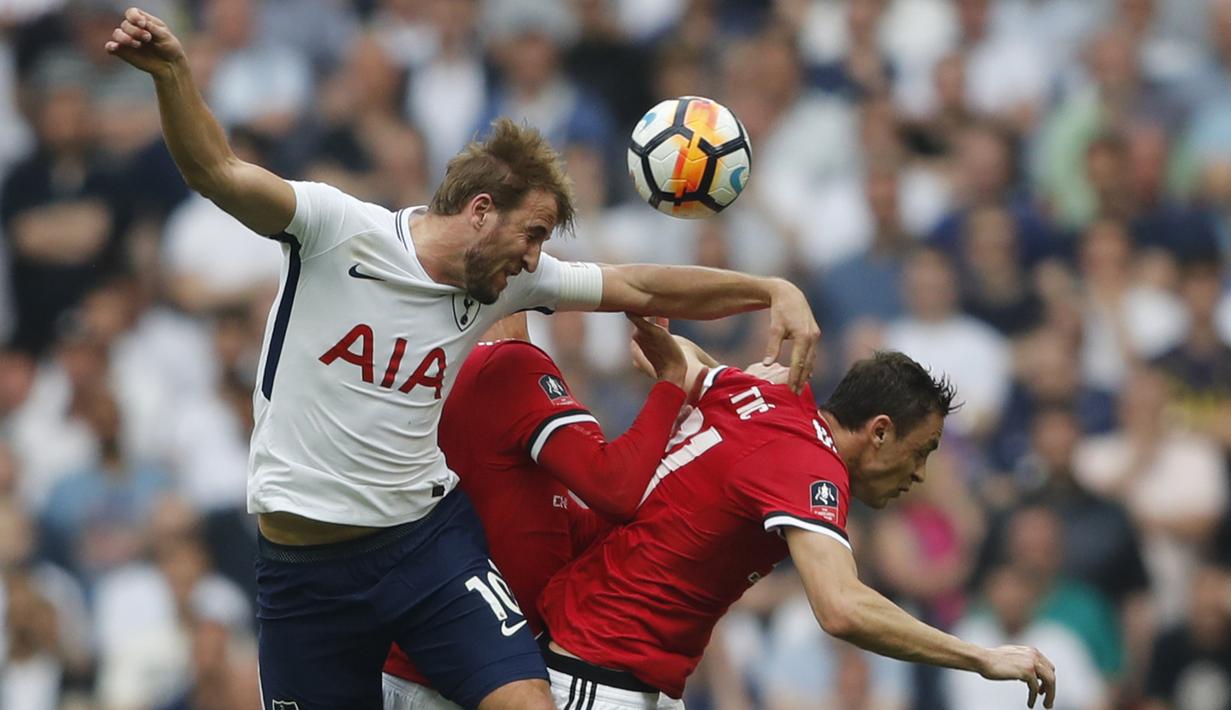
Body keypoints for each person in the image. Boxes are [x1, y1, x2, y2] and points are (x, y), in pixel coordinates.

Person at [104, 8, 820, 710]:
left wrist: (768, 289)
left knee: (528, 703)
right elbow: (219, 171)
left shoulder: (505, 282)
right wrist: (173, 76)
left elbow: (639, 285)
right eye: (532, 233)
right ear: (480, 211)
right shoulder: (337, 229)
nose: (536, 259)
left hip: (424, 547)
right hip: (304, 569)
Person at [538, 351, 1058, 710]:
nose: (920, 474)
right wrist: (981, 656)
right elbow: (842, 608)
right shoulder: (812, 467)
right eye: (920, 451)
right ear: (879, 431)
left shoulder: (765, 394)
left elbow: (662, 352)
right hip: (599, 674)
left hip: (621, 670)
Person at [381, 311, 693, 709]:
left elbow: (564, 528)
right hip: (452, 681)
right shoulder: (505, 363)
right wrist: (670, 382)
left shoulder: (470, 363)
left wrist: (666, 441)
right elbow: (614, 488)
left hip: (440, 668)